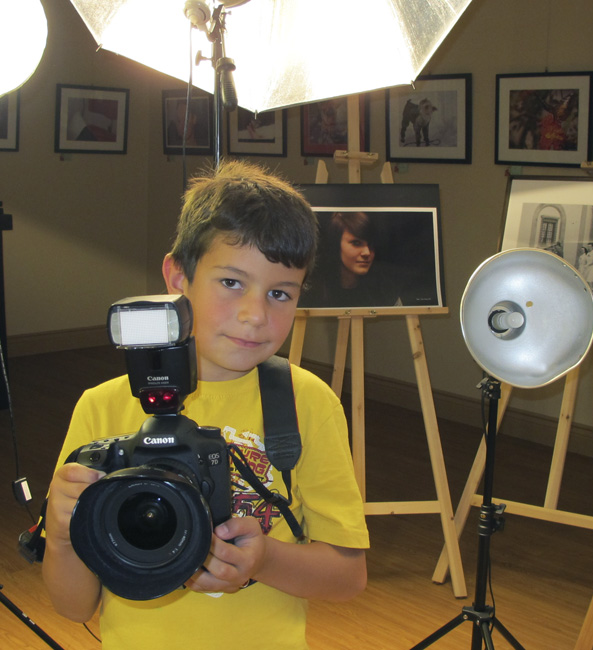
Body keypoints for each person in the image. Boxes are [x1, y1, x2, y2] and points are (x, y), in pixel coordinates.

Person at [42, 160, 370, 650]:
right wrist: (61, 533)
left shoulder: (308, 404)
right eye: (232, 282)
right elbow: (73, 607)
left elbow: (348, 578)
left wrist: (266, 561)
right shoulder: (102, 408)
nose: (254, 316)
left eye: (280, 293)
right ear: (178, 276)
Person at [301, 211, 400, 308]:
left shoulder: (384, 290)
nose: (367, 252)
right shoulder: (313, 292)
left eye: (370, 245)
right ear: (336, 245)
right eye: (356, 243)